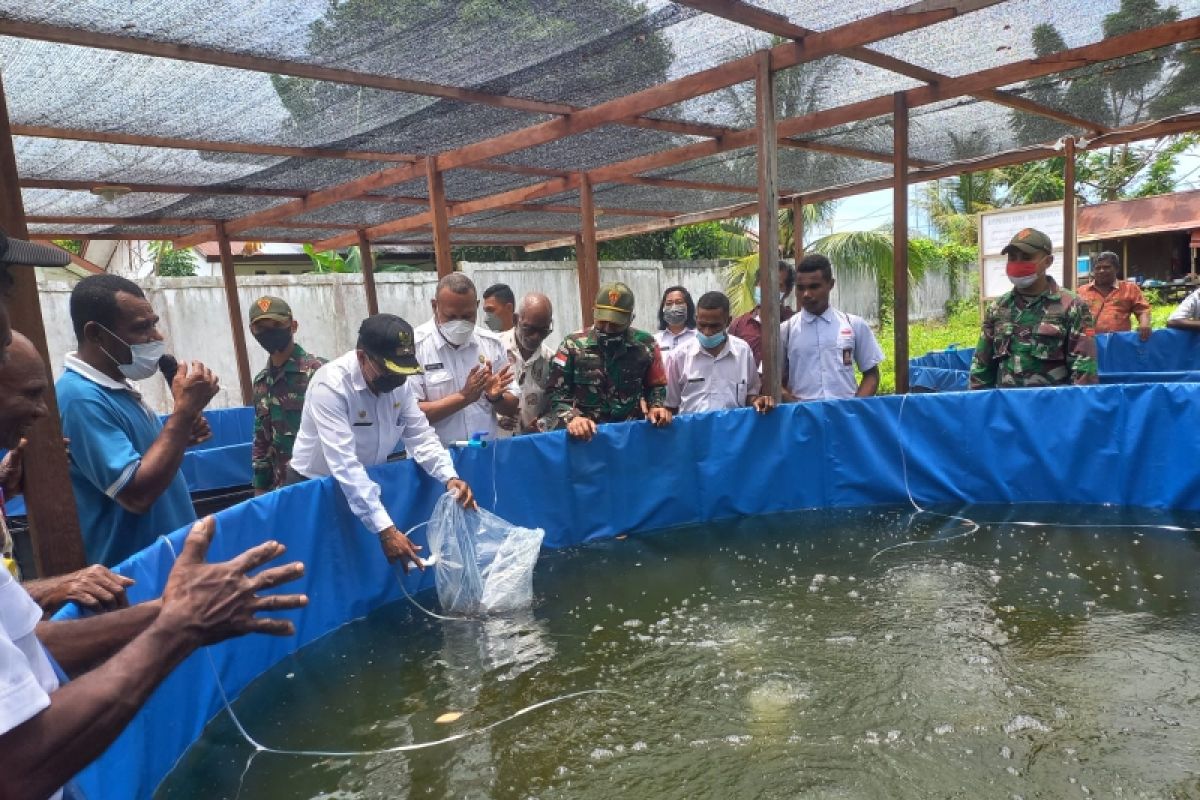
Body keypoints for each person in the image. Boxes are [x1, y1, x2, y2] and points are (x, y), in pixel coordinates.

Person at [57, 274, 220, 567]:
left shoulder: (117, 387)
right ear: (95, 334)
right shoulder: (80, 398)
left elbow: (146, 463)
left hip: (170, 565)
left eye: (154, 323)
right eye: (141, 328)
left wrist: (180, 435)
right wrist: (182, 416)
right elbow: (136, 494)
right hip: (138, 577)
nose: (156, 337)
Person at [288, 314, 475, 570]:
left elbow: (420, 435)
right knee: (321, 567)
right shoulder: (331, 386)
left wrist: (449, 477)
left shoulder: (400, 385)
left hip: (363, 487)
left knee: (363, 565)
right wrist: (386, 529)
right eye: (388, 370)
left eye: (402, 372)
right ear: (362, 357)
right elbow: (344, 465)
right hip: (316, 488)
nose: (396, 379)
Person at [543, 282, 672, 441]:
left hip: (629, 437)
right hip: (586, 437)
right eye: (602, 321)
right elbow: (554, 393)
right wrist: (572, 417)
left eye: (616, 323)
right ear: (594, 313)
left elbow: (656, 386)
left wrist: (656, 406)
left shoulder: (646, 345)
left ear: (631, 319)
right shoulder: (572, 345)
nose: (608, 328)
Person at [970, 228, 1097, 389]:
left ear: (1048, 261)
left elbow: (1084, 370)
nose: (1017, 263)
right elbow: (982, 365)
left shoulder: (1072, 306)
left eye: (1026, 257)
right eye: (1012, 258)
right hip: (1007, 409)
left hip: (1051, 408)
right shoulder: (998, 307)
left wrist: (1076, 411)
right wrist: (977, 405)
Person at [412, 274, 518, 446]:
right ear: (434, 306)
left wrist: (495, 398)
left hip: (482, 455)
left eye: (468, 316)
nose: (460, 323)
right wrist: (464, 397)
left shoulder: (491, 344)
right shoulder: (416, 348)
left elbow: (512, 406)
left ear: (476, 306)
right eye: (451, 317)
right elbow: (412, 416)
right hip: (436, 462)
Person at [248, 296, 326, 495]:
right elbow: (261, 442)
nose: (269, 333)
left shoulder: (320, 373)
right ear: (252, 332)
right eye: (261, 329)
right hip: (281, 491)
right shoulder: (261, 382)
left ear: (293, 326)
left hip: (320, 486)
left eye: (276, 325)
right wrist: (259, 493)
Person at [781, 254, 884, 401]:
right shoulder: (786, 331)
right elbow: (770, 379)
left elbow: (871, 374)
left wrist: (854, 408)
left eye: (814, 287)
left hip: (845, 417)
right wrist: (796, 407)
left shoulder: (854, 325)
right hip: (803, 419)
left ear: (831, 284)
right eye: (801, 288)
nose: (806, 294)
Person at [666, 291, 774, 415]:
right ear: (696, 319)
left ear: (728, 322)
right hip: (694, 433)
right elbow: (671, 406)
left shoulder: (743, 352)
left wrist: (758, 400)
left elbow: (750, 394)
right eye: (702, 325)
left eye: (714, 326)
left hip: (732, 431)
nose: (707, 332)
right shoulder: (679, 356)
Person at [497, 292, 556, 436]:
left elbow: (556, 406)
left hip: (531, 444)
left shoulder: (551, 361)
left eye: (543, 331)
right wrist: (497, 417)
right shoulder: (493, 350)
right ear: (515, 319)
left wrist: (540, 426)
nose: (536, 337)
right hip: (495, 444)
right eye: (529, 329)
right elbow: (476, 399)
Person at [728, 261, 797, 367]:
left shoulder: (795, 324)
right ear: (756, 284)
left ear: (787, 291)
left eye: (777, 285)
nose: (768, 289)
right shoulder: (739, 325)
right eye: (763, 283)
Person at [1076, 252, 1151, 340]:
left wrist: (1144, 324)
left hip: (1120, 343)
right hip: (1089, 343)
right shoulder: (1081, 291)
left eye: (1106, 267)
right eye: (1098, 268)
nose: (1101, 271)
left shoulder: (1129, 289)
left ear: (1116, 269)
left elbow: (1143, 310)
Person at [654, 285, 697, 358]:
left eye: (679, 302)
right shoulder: (655, 340)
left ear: (688, 307)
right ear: (663, 308)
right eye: (669, 303)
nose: (674, 308)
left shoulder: (697, 338)